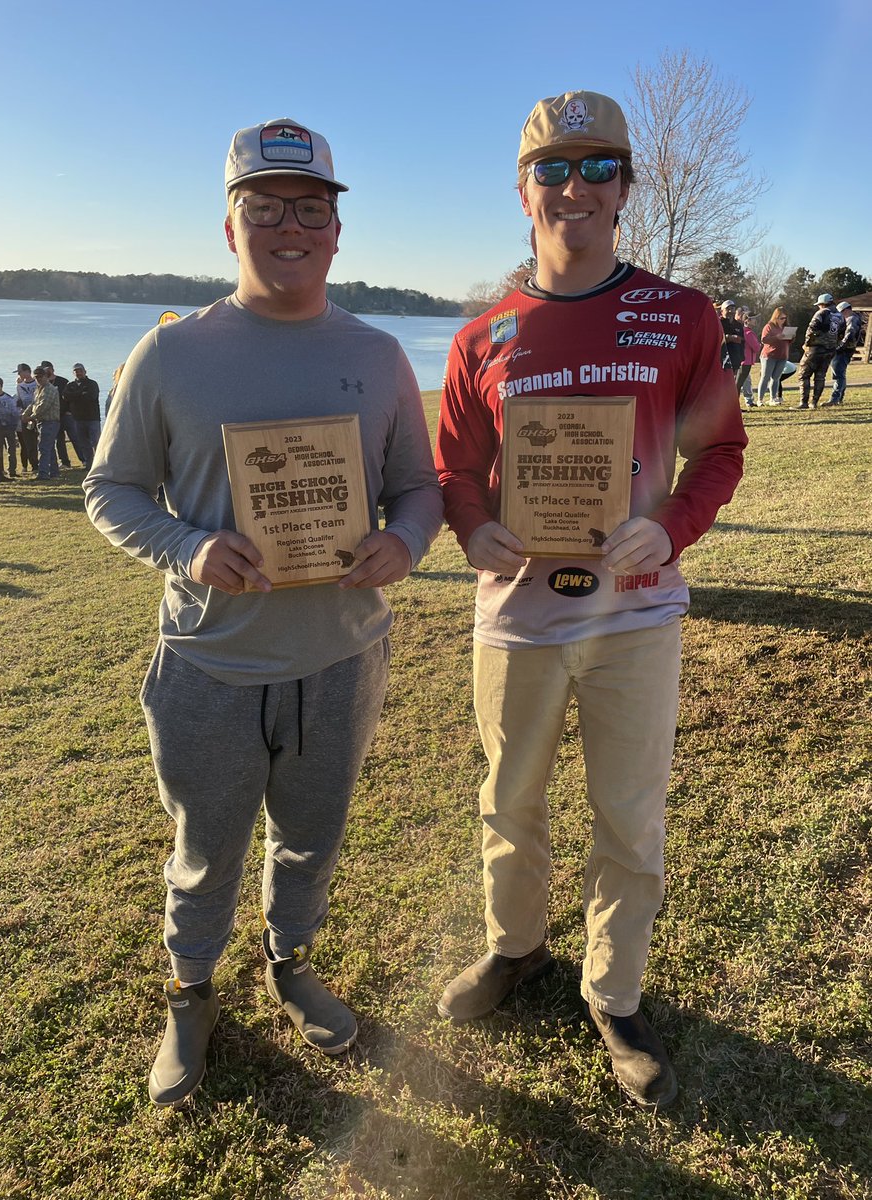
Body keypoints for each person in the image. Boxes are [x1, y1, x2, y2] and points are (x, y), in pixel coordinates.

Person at [83, 118, 442, 1108]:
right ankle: (191, 992)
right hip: (211, 662)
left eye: (311, 206)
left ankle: (289, 963)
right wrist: (190, 546)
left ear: (337, 230)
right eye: (266, 204)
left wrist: (403, 543)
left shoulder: (376, 356)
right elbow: (111, 492)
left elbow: (421, 487)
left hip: (341, 658)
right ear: (229, 225)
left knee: (312, 837)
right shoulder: (167, 355)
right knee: (206, 846)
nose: (290, 223)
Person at [435, 89, 746, 1109]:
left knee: (629, 816)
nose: (576, 187)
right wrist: (473, 526)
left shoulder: (683, 316)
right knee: (509, 802)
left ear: (628, 184)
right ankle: (516, 948)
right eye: (554, 169)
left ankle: (613, 995)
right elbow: (456, 470)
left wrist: (674, 524)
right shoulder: (481, 336)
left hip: (637, 617)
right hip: (517, 615)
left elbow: (721, 450)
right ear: (522, 189)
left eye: (598, 166)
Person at [796, 294, 842, 409]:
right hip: (830, 350)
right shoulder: (839, 315)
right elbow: (841, 333)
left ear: (822, 304)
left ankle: (804, 402)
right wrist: (834, 345)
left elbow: (811, 329)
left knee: (804, 375)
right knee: (820, 376)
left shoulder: (821, 313)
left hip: (815, 348)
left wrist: (807, 344)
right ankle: (814, 402)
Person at [822, 301, 864, 407]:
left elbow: (849, 336)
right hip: (846, 350)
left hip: (843, 350)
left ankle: (834, 399)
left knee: (838, 375)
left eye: (841, 312)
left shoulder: (851, 319)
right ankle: (839, 398)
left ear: (846, 310)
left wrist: (839, 347)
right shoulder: (854, 318)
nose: (840, 315)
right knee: (841, 374)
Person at [63, 363, 101, 467]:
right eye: (76, 371)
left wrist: (75, 396)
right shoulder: (70, 385)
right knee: (84, 444)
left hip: (92, 418)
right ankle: (89, 464)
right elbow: (66, 396)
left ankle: (100, 464)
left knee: (96, 442)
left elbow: (91, 397)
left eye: (80, 370)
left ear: (85, 371)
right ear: (73, 373)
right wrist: (81, 393)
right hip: (77, 419)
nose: (78, 373)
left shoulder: (92, 384)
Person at [27, 366, 61, 478]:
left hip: (50, 422)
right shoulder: (39, 389)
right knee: (49, 448)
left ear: (46, 376)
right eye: (36, 377)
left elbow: (43, 407)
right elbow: (33, 404)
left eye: (40, 377)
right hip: (43, 422)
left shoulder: (50, 389)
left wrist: (31, 417)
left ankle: (43, 473)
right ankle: (54, 472)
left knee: (44, 448)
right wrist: (25, 414)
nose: (38, 379)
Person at [40, 360, 75, 466]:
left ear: (52, 369)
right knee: (59, 440)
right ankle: (64, 461)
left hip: (66, 414)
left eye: (48, 369)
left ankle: (84, 459)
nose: (47, 371)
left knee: (74, 437)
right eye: (44, 370)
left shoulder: (63, 381)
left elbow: (70, 397)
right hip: (54, 416)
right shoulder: (43, 383)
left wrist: (70, 411)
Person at [756, 308, 793, 406]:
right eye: (781, 318)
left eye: (785, 318)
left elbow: (789, 342)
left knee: (776, 378)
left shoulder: (786, 327)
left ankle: (773, 398)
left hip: (782, 356)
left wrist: (791, 336)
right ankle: (760, 399)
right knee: (765, 377)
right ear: (775, 317)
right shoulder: (769, 326)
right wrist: (777, 337)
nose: (783, 320)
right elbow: (764, 340)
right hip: (769, 355)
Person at [0, 377, 21, 480]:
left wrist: (13, 425)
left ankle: (12, 470)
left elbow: (14, 413)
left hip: (9, 427)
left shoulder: (8, 398)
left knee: (11, 449)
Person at [15, 364, 39, 472]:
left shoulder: (37, 383)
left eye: (20, 372)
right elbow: (19, 402)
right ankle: (34, 465)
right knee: (28, 443)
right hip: (26, 417)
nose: (19, 374)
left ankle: (44, 464)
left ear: (27, 371)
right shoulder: (20, 386)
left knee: (40, 441)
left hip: (38, 415)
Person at [737, 313, 761, 407]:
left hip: (743, 361)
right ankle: (735, 404)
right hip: (746, 361)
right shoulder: (748, 333)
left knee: (739, 383)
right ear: (747, 320)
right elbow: (756, 348)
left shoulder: (743, 331)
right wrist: (759, 345)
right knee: (738, 384)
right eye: (753, 319)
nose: (755, 321)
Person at [719, 301, 744, 373]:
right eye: (728, 309)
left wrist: (741, 357)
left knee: (732, 381)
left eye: (733, 309)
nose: (731, 311)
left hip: (735, 358)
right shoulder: (719, 323)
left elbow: (742, 341)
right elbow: (714, 339)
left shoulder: (738, 325)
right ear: (722, 311)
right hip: (721, 358)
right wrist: (728, 338)